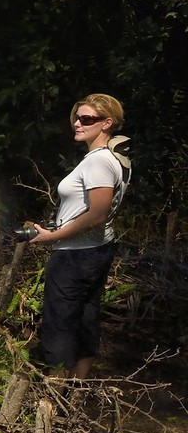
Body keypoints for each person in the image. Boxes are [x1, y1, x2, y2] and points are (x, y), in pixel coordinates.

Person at [29, 94, 132, 378]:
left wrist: (54, 236)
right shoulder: (114, 159)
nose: (77, 123)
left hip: (75, 255)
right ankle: (77, 391)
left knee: (59, 324)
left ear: (107, 123)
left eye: (86, 119)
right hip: (98, 249)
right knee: (86, 317)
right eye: (77, 117)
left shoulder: (98, 162)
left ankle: (54, 397)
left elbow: (98, 212)